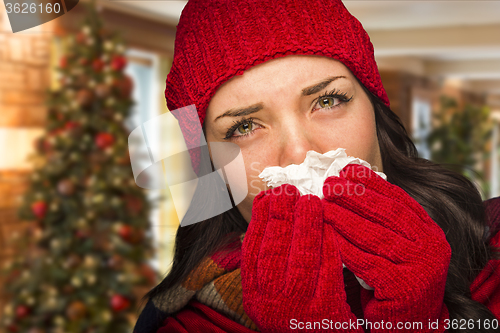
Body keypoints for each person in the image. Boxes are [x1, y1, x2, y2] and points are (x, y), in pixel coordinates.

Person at [133, 0, 500, 332]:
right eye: (244, 127)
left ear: (375, 111)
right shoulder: (186, 327)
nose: (298, 152)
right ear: (214, 168)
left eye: (327, 100)